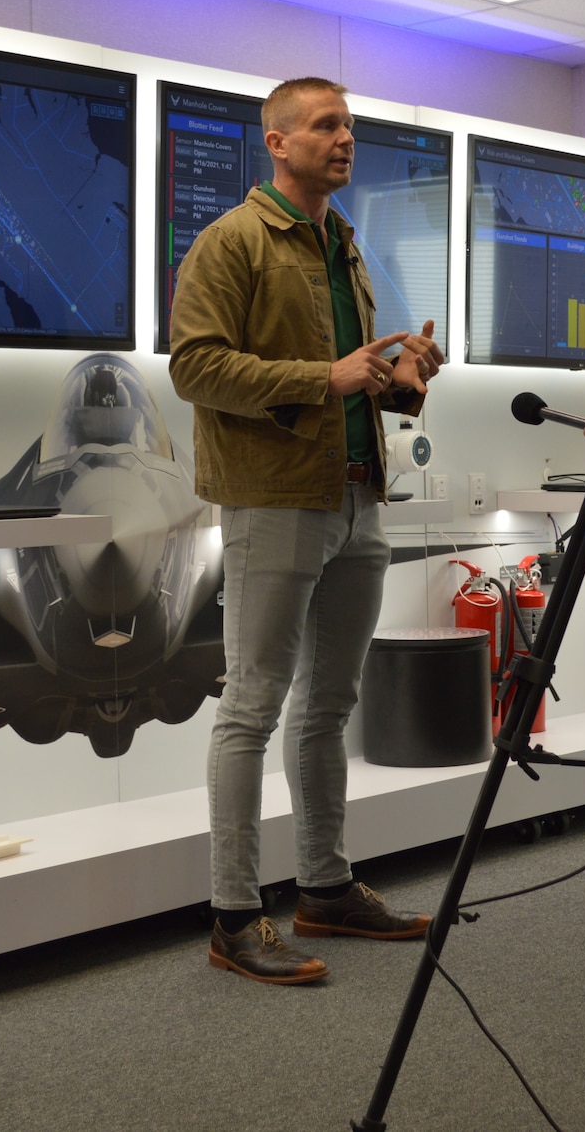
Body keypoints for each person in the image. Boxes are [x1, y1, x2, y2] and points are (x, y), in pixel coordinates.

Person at [168, 76, 445, 985]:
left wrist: (402, 379)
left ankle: (324, 887)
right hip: (275, 500)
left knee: (328, 706)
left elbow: (353, 378)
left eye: (350, 127)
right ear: (276, 141)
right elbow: (196, 368)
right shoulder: (232, 241)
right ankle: (234, 915)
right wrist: (324, 378)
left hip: (360, 496)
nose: (345, 139)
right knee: (251, 706)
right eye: (326, 126)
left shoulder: (345, 246)